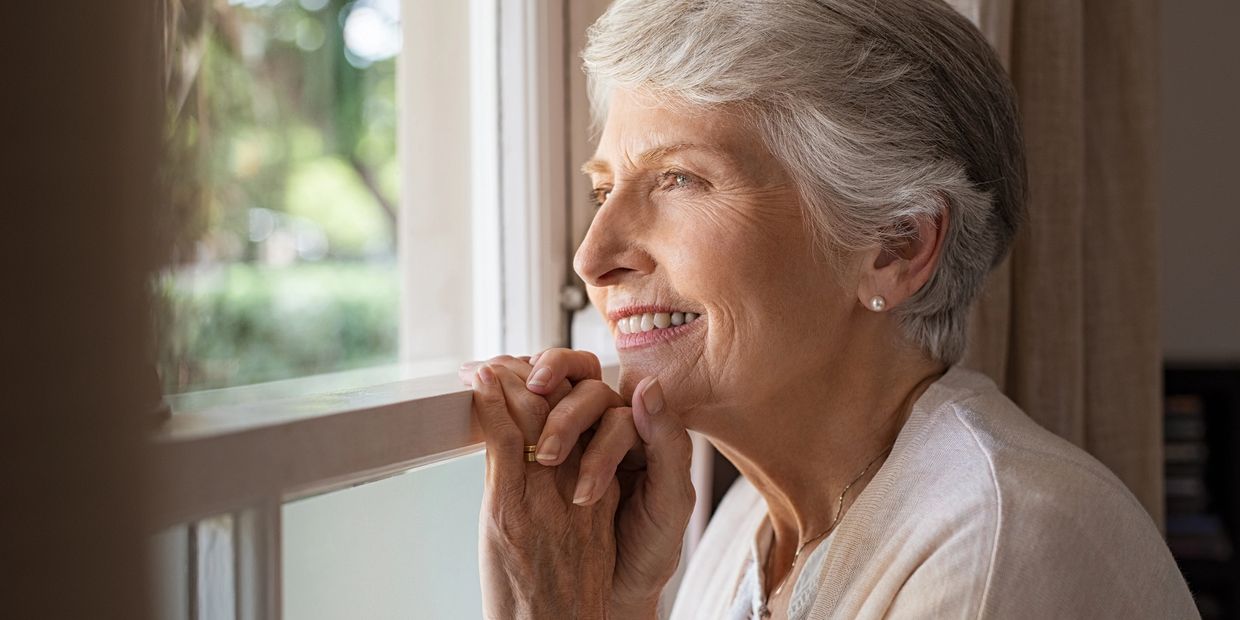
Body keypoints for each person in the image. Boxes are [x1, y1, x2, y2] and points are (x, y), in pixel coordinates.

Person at [459, 0, 1199, 617]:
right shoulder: (746, 526)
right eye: (602, 190)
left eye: (680, 180)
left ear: (895, 246)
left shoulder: (1003, 545)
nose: (594, 256)